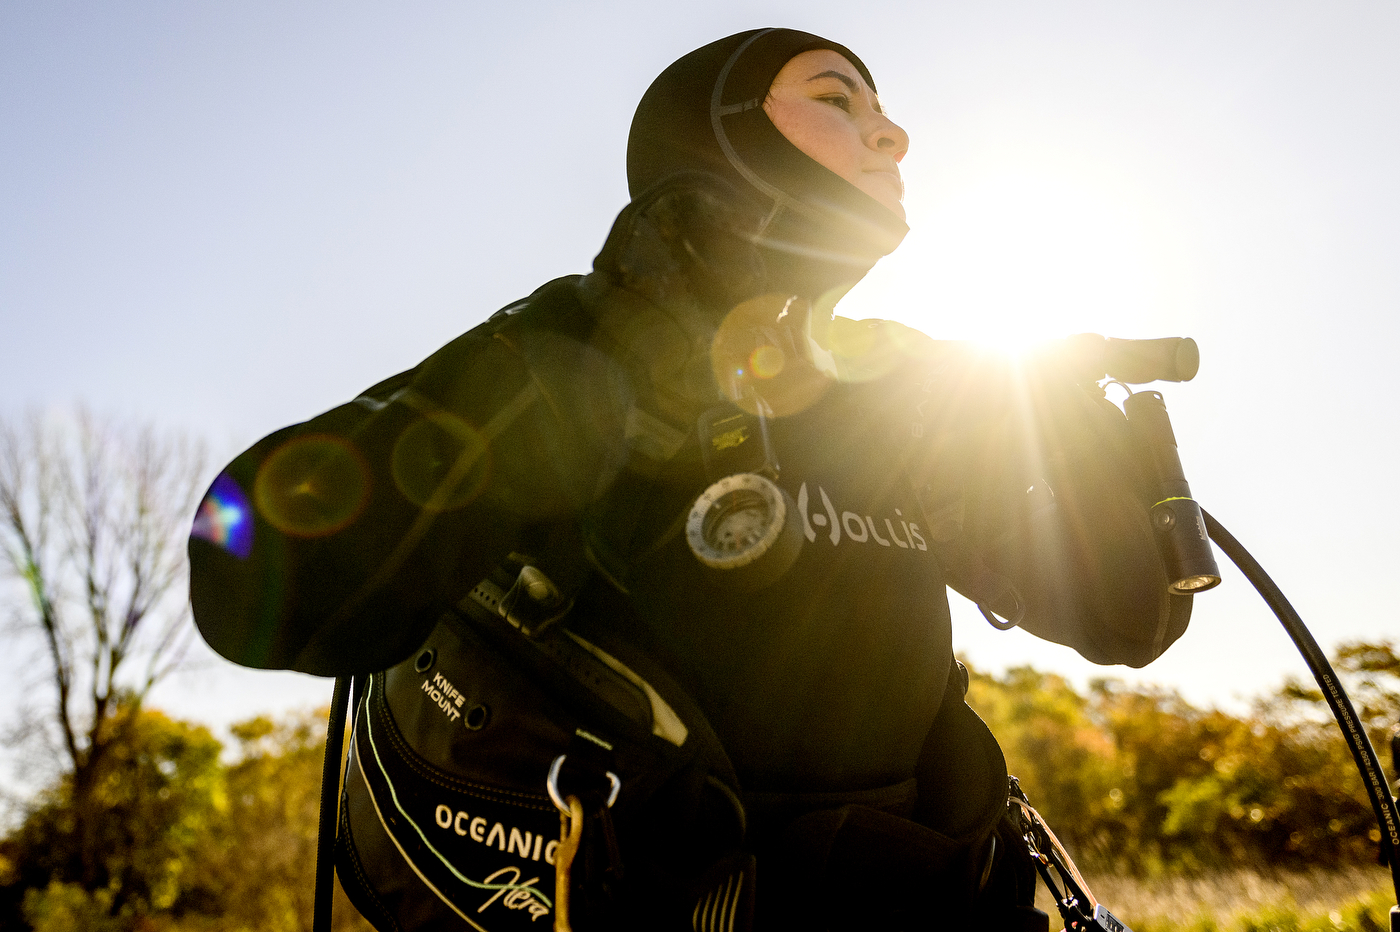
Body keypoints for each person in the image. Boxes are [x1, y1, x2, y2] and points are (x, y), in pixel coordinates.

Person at [190, 27, 1191, 931]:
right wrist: (555, 396)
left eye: (882, 111)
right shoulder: (571, 338)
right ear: (715, 137)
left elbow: (1126, 615)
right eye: (838, 99)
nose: (894, 137)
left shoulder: (900, 388)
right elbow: (247, 584)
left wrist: (1066, 441)